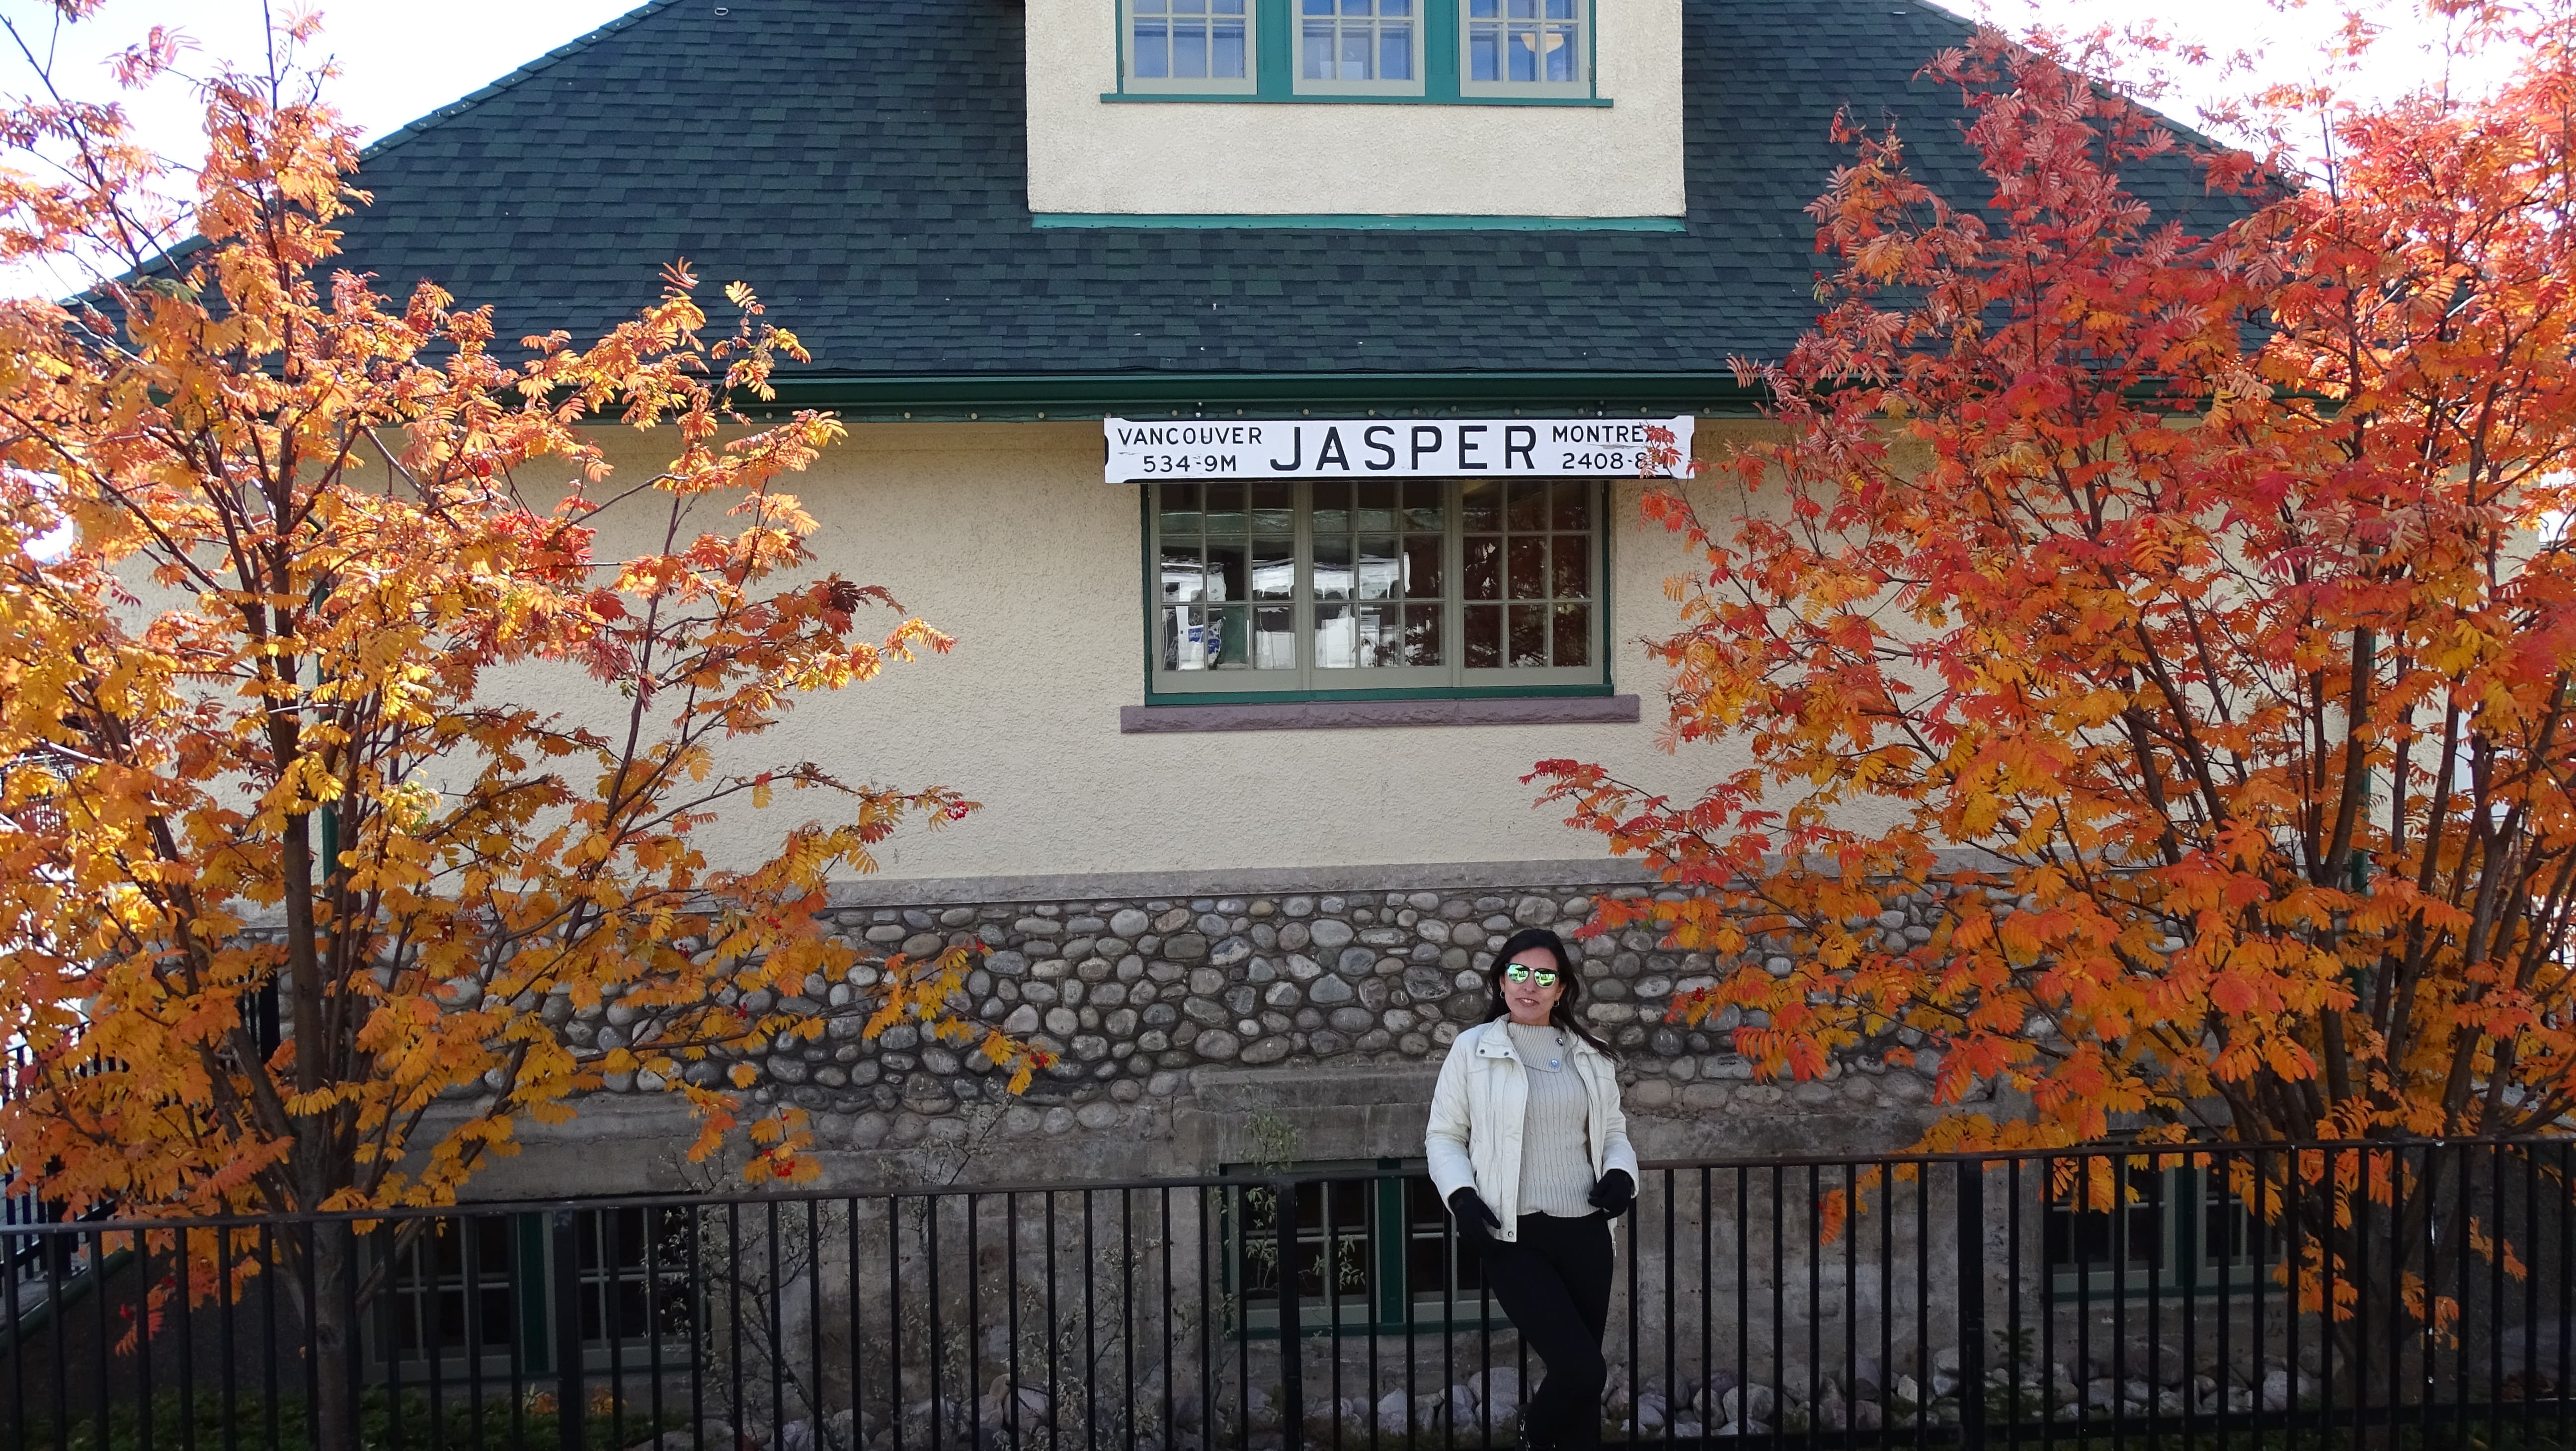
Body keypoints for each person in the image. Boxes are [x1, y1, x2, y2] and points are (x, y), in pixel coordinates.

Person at [1424, 926, 1638, 1451]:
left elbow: (1613, 1131)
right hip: (1514, 1235)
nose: (1530, 984)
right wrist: (1462, 1197)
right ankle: (1534, 1433)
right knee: (1584, 1370)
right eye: (1519, 972)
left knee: (1583, 1390)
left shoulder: (1593, 1053)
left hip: (1586, 1232)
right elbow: (1444, 1136)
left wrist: (1621, 1175)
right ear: (1501, 980)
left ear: (1561, 989)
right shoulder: (1473, 1049)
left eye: (1545, 975)